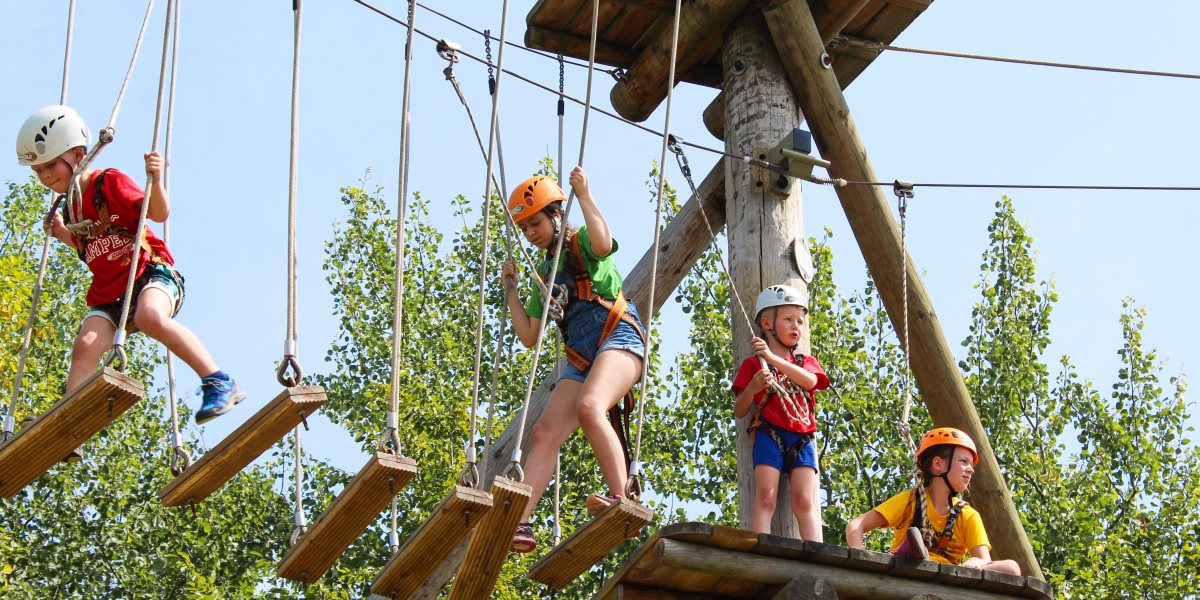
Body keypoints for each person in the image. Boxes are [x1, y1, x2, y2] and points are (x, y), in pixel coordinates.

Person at [15, 105, 246, 447]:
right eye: (38, 170)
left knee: (150, 317)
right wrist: (64, 234)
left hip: (149, 273)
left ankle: (218, 381)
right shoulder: (71, 206)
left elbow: (158, 212)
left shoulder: (107, 182)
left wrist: (155, 179)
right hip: (111, 292)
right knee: (85, 345)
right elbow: (93, 252)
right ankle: (71, 425)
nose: (45, 176)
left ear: (78, 154)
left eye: (50, 165)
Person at [502, 166, 646, 554]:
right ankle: (522, 522)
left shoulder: (580, 243)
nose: (531, 233)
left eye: (535, 223)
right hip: (582, 357)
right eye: (525, 228)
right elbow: (530, 335)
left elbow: (604, 244)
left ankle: (623, 498)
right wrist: (512, 293)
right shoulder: (545, 275)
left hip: (619, 336)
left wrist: (584, 195)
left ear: (555, 216)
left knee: (590, 407)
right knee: (544, 433)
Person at [845, 427, 1022, 574]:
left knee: (1012, 568)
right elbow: (856, 525)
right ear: (938, 464)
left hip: (948, 576)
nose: (971, 470)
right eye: (963, 461)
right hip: (906, 569)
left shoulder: (967, 515)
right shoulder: (910, 501)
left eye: (971, 465)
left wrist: (975, 562)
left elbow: (985, 561)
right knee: (914, 555)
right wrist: (864, 562)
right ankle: (912, 552)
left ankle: (920, 553)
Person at [731, 284, 830, 540]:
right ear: (767, 323)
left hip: (802, 436)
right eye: (788, 319)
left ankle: (816, 550)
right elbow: (739, 410)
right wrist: (753, 388)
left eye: (799, 321)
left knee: (805, 500)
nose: (796, 326)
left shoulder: (805, 362)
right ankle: (761, 546)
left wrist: (773, 359)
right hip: (769, 432)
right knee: (766, 497)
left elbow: (810, 382)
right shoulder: (754, 365)